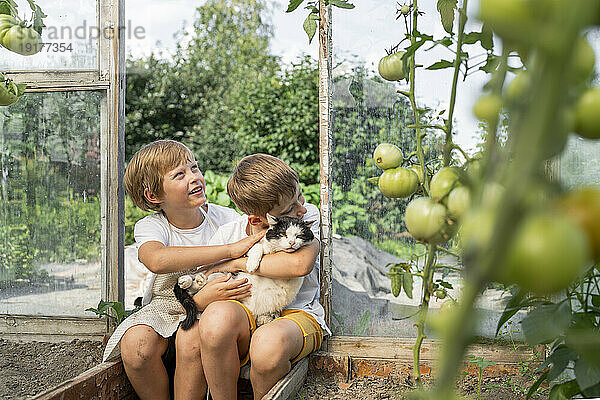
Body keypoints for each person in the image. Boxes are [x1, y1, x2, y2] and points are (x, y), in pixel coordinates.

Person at [102, 140, 264, 400]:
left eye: (194, 168)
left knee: (192, 340)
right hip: (168, 306)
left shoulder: (227, 219)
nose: (195, 177)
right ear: (153, 196)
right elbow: (156, 259)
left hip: (216, 305)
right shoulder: (152, 226)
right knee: (136, 345)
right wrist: (230, 250)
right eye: (180, 174)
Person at [176, 154, 330, 400]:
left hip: (298, 314)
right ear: (258, 220)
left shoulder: (306, 217)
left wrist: (237, 262)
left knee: (267, 344)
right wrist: (205, 296)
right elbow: (204, 282)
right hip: (246, 311)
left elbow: (299, 264)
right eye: (290, 207)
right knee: (212, 322)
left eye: (299, 196)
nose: (301, 207)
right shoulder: (231, 233)